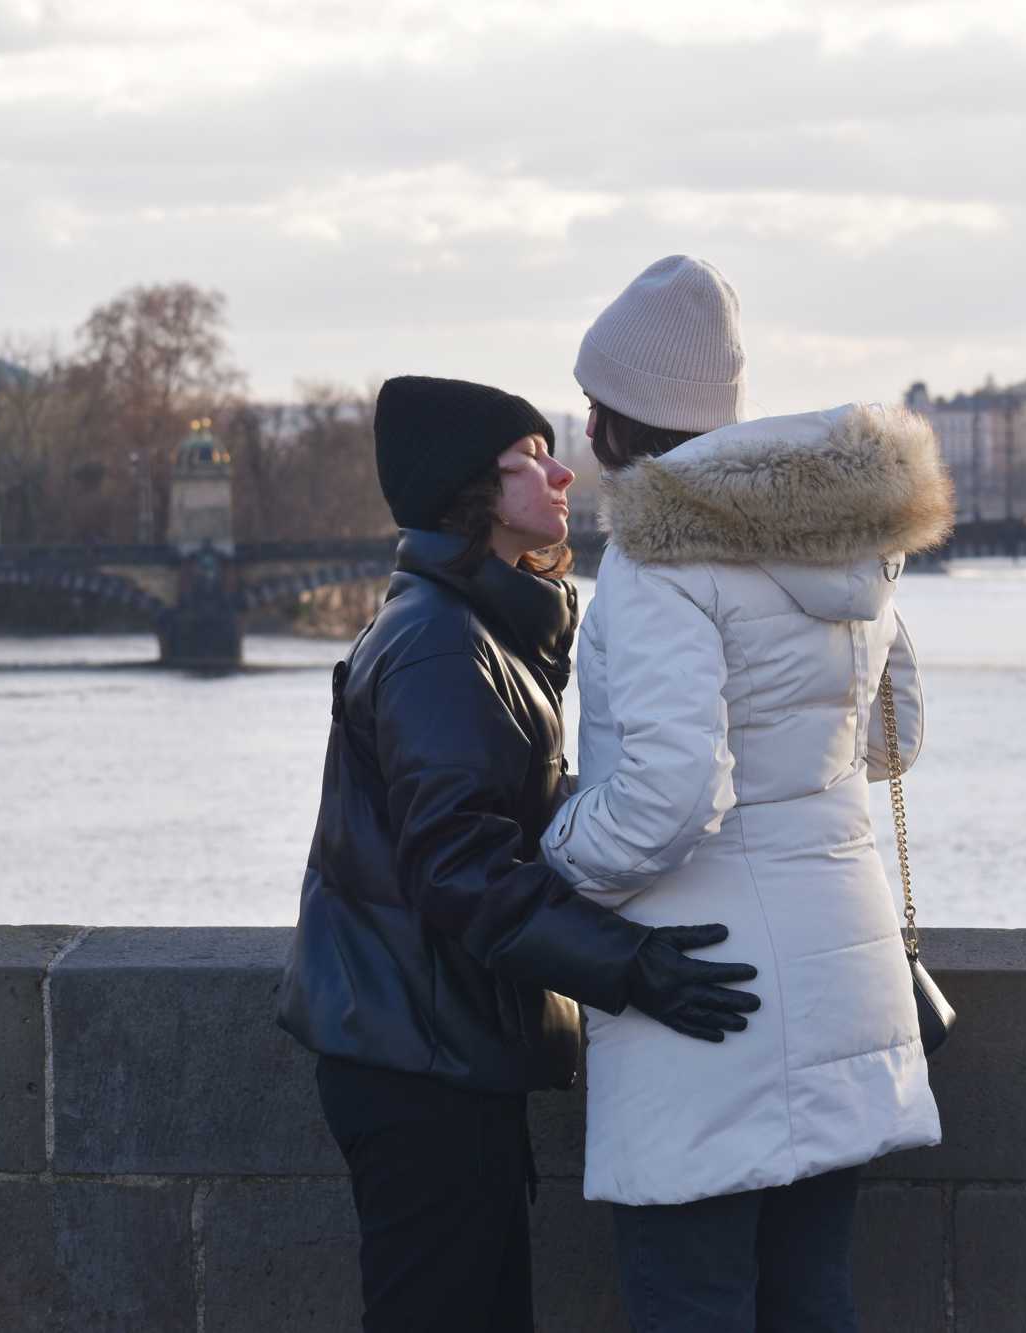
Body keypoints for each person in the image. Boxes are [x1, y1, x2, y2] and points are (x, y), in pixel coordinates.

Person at [276, 374, 761, 1333]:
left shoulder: (471, 627)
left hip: (431, 1044)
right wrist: (629, 966)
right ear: (472, 490)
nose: (564, 473)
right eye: (531, 459)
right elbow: (461, 867)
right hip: (419, 1059)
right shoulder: (441, 644)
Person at [541, 257, 954, 1331]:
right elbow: (895, 738)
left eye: (592, 404)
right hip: (844, 970)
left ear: (621, 415)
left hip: (709, 990)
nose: (585, 431)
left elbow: (673, 798)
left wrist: (558, 852)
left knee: (691, 1298)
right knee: (810, 1294)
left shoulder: (659, 562)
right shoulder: (842, 537)